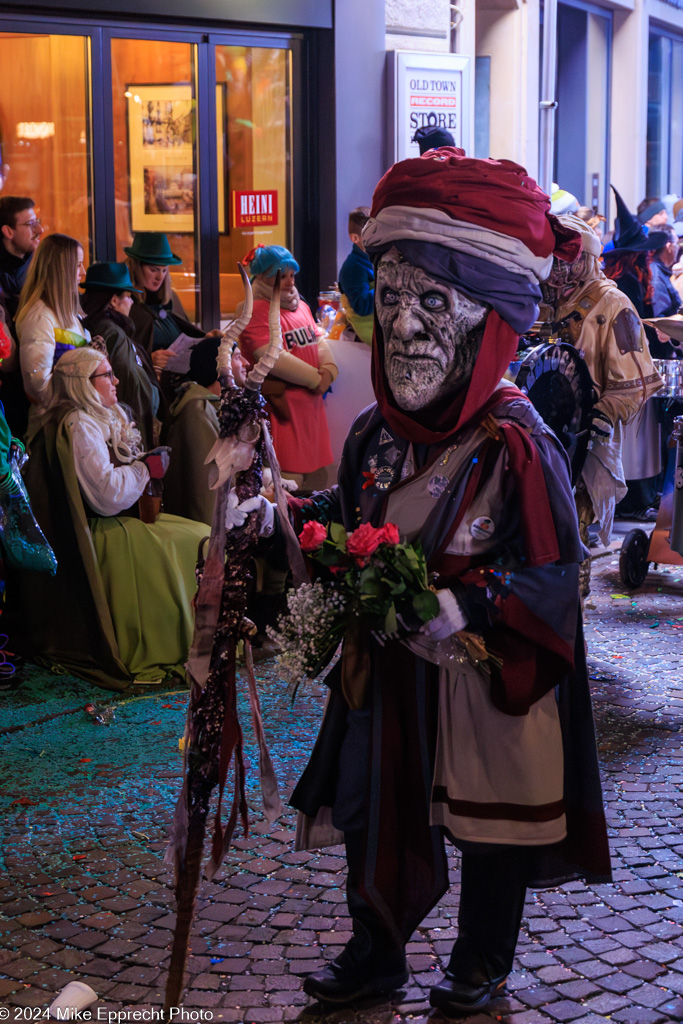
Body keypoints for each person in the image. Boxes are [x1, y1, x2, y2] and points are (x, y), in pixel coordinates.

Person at [268, 149, 611, 1015]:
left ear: (487, 318)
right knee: (367, 803)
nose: (407, 326)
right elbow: (338, 530)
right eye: (390, 298)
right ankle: (375, 950)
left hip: (482, 676)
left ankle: (480, 960)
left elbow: (552, 575)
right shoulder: (373, 436)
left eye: (433, 301)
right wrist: (275, 533)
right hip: (386, 675)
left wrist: (464, 607)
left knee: (492, 820)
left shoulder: (516, 441)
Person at [12, 346, 207, 689]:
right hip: (100, 530)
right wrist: (144, 468)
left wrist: (141, 466)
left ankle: (200, 637)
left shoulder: (93, 416)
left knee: (202, 534)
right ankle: (170, 643)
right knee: (190, 542)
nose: (116, 380)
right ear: (82, 384)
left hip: (116, 520)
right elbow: (106, 496)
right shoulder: (79, 423)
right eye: (106, 375)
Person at [543, 213, 663, 590]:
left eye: (569, 260)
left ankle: (569, 612)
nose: (560, 270)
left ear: (588, 258)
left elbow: (636, 380)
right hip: (534, 432)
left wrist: (605, 412)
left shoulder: (614, 304)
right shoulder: (542, 300)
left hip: (583, 438)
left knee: (569, 530)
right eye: (555, 260)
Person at [237, 244, 338, 491]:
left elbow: (318, 337)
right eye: (281, 276)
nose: (289, 282)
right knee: (288, 484)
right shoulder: (253, 311)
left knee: (318, 480)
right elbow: (270, 354)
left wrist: (329, 369)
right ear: (264, 278)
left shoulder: (300, 305)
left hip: (311, 412)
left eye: (292, 275)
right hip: (282, 415)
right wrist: (316, 379)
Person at [604, 188, 671, 520]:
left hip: (633, 364)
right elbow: (630, 329)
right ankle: (633, 499)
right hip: (629, 367)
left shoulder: (629, 279)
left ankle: (637, 496)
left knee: (637, 436)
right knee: (635, 437)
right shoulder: (627, 283)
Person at [161, 337, 246, 524]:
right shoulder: (198, 413)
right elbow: (206, 492)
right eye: (238, 357)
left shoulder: (216, 407)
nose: (246, 363)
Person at [80, 261, 161, 450]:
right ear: (114, 300)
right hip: (131, 430)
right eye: (129, 296)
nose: (132, 302)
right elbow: (127, 385)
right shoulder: (112, 334)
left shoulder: (106, 329)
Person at [15, 233, 89, 435]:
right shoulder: (40, 318)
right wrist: (85, 394)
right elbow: (38, 387)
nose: (82, 272)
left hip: (74, 421)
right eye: (77, 265)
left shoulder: (69, 314)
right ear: (60, 270)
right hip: (53, 427)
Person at [125, 232, 216, 374]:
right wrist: (150, 360)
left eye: (164, 270)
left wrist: (205, 339)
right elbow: (123, 358)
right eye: (153, 270)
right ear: (137, 268)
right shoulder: (128, 306)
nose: (159, 277)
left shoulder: (168, 303)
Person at [0, 196, 44, 319]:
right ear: (8, 231)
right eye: (31, 224)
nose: (40, 230)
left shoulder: (40, 265)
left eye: (37, 222)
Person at [338, 207, 374, 345]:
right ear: (355, 238)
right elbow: (362, 306)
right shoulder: (353, 267)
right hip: (366, 341)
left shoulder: (377, 259)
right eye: (371, 234)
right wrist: (389, 287)